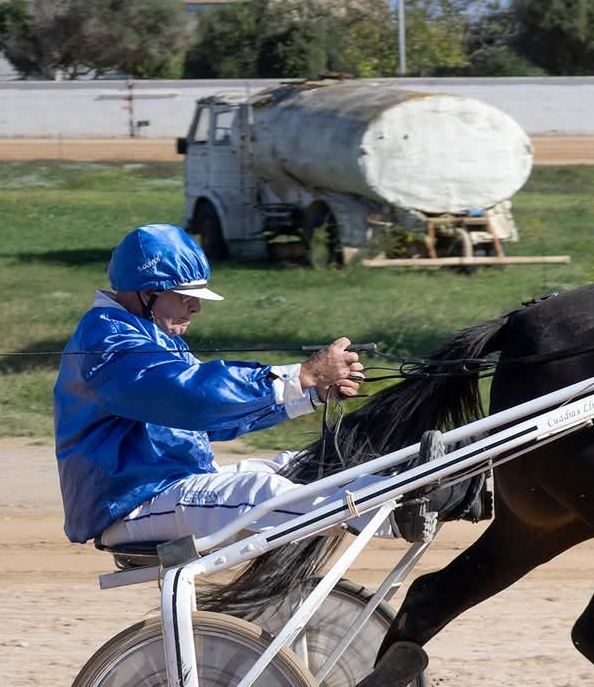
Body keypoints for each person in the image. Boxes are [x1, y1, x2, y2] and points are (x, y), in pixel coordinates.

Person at [54, 223, 455, 550]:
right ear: (146, 293)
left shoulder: (149, 333)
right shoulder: (108, 341)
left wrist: (309, 394)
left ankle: (414, 488)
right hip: (130, 503)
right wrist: (302, 375)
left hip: (169, 486)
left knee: (301, 466)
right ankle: (398, 512)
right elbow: (190, 397)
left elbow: (211, 420)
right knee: (259, 489)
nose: (196, 307)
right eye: (186, 297)